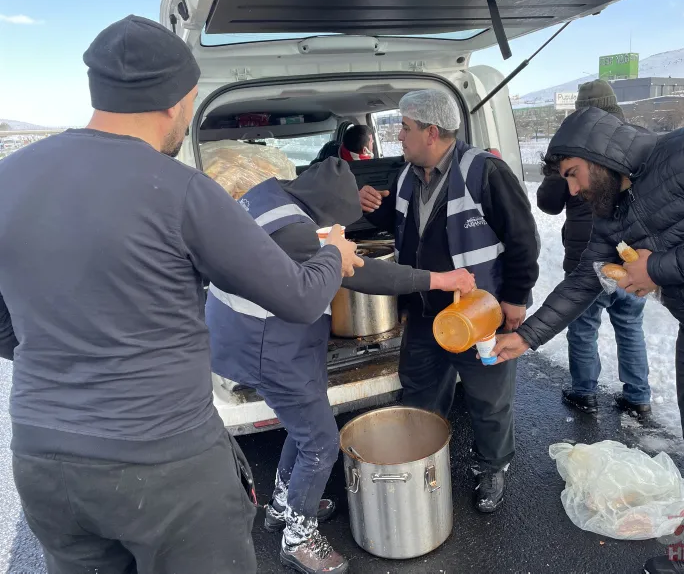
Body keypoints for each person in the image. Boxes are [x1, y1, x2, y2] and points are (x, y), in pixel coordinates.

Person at [0, 15, 363, 574]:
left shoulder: (8, 179)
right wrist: (333, 255)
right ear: (175, 102)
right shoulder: (181, 191)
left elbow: (6, 329)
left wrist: (58, 352)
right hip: (165, 461)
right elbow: (298, 298)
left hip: (44, 459)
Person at [491, 106, 684, 574]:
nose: (572, 189)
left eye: (573, 175)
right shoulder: (613, 210)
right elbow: (584, 280)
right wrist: (528, 337)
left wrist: (654, 268)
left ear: (598, 155)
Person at [206, 159, 475, 574]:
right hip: (268, 345)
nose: (343, 231)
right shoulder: (297, 233)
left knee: (309, 422)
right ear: (326, 210)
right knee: (320, 441)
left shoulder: (268, 194)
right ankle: (298, 538)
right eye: (341, 223)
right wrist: (439, 280)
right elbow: (366, 275)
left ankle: (284, 504)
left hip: (253, 333)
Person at [358, 88, 541, 513]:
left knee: (488, 398)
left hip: (479, 315)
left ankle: (492, 466)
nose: (397, 136)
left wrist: (516, 298)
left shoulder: (485, 171)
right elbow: (402, 226)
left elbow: (522, 239)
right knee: (421, 392)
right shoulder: (405, 175)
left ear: (432, 132)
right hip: (425, 315)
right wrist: (373, 209)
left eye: (404, 128)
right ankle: (425, 461)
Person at [536, 80, 651, 416]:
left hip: (584, 258)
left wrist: (562, 175)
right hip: (631, 256)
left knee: (583, 327)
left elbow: (548, 203)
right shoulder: (634, 142)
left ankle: (583, 392)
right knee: (630, 326)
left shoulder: (573, 146)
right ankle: (637, 397)